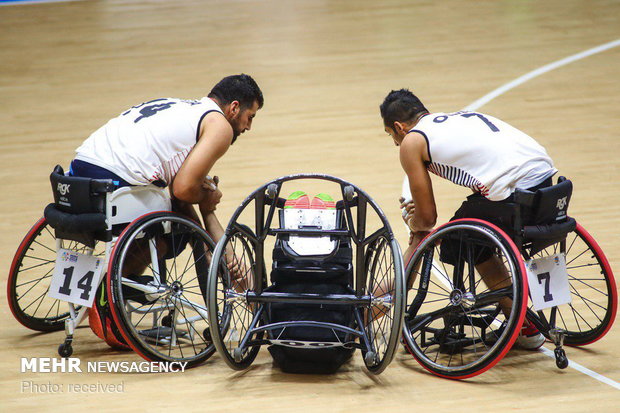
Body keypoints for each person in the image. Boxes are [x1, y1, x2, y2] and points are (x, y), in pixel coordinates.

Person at [380, 88, 557, 349]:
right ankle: (530, 311)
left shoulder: (412, 141)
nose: (395, 143)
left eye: (391, 135)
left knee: (458, 243)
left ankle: (523, 325)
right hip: (547, 185)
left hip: (514, 195)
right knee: (473, 225)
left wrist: (413, 222)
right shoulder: (457, 118)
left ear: (398, 127)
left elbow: (428, 219)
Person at [70, 73, 263, 242]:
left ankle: (122, 279)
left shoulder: (178, 106)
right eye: (250, 117)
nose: (248, 127)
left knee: (170, 210)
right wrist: (208, 197)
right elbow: (182, 189)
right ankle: (122, 281)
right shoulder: (219, 125)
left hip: (76, 175)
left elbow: (180, 187)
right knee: (175, 235)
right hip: (110, 182)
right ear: (234, 108)